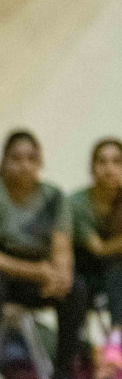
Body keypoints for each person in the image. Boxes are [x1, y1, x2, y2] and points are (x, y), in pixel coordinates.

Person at [0, 130, 89, 379]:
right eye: (16, 158)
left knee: (76, 289)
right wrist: (37, 271)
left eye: (32, 158)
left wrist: (62, 274)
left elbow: (62, 247)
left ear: (40, 163)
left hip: (37, 275)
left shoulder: (54, 197)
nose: (24, 165)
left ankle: (63, 374)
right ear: (3, 161)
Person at [71, 138, 122, 325]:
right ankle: (117, 336)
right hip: (83, 274)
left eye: (117, 161)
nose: (110, 169)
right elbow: (98, 249)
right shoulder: (77, 204)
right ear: (92, 167)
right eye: (102, 161)